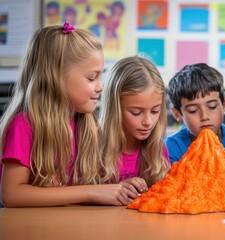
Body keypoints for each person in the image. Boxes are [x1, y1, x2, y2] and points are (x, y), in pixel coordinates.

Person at [0, 22, 132, 207]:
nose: (100, 87)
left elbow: (75, 191)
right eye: (91, 78)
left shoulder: (84, 124)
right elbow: (11, 195)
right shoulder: (24, 125)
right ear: (57, 77)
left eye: (100, 78)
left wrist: (117, 189)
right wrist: (91, 192)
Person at [99, 56, 170, 196]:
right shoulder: (92, 148)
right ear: (115, 108)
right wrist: (116, 190)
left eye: (155, 110)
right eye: (136, 113)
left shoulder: (157, 150)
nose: (148, 121)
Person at [165, 63, 225, 171]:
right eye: (193, 110)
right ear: (177, 114)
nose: (204, 116)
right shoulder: (171, 147)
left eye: (212, 106)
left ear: (224, 105)